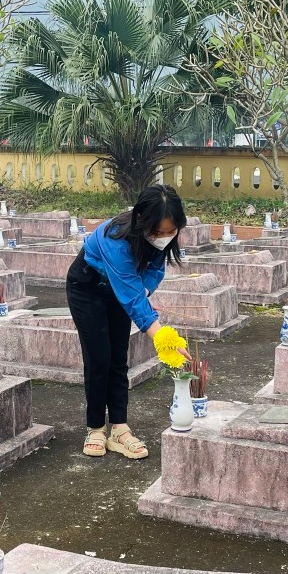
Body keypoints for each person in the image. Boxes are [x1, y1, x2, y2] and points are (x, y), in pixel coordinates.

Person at [66, 184, 187, 460]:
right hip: (87, 287)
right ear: (143, 221)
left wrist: (142, 293)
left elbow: (154, 270)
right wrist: (164, 338)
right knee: (99, 358)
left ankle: (119, 429)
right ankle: (96, 428)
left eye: (172, 232)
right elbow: (132, 300)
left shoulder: (165, 235)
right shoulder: (115, 238)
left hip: (119, 291)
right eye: (160, 233)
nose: (166, 238)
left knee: (119, 358)